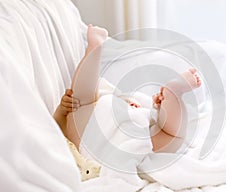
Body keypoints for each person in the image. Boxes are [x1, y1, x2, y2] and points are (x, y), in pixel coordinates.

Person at [53, 25, 201, 154]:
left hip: (97, 129)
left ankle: (95, 48)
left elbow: (54, 127)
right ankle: (172, 96)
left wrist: (62, 109)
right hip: (116, 123)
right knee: (172, 136)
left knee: (81, 101)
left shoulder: (67, 140)